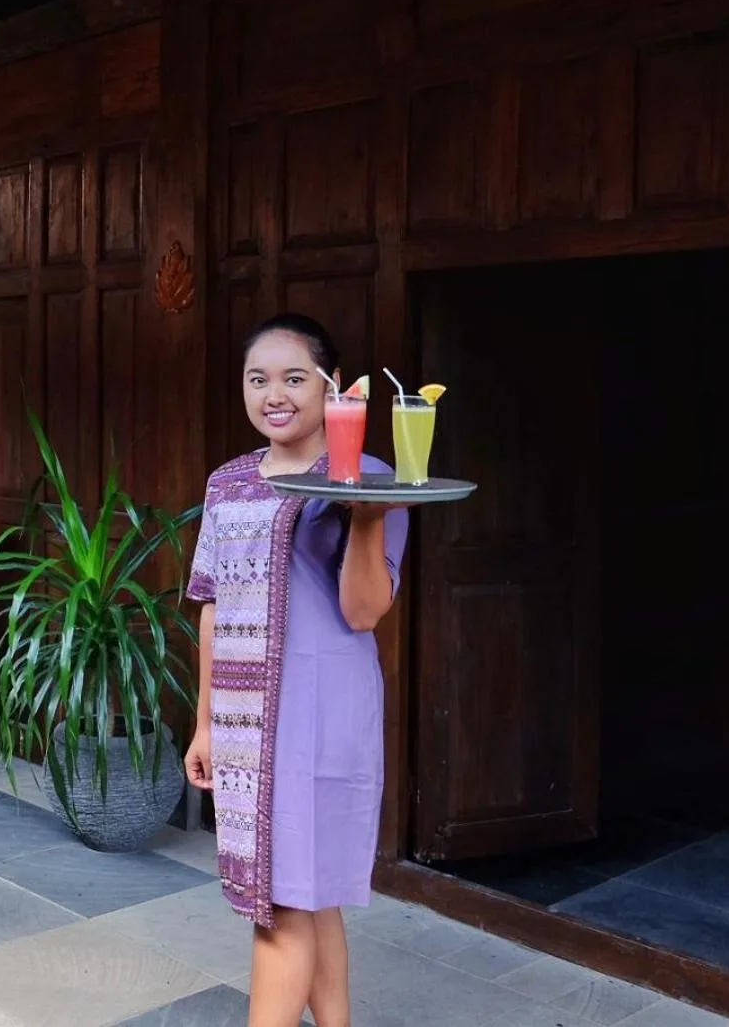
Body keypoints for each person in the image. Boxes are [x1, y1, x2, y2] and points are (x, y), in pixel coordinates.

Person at [183, 313, 408, 1027]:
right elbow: (212, 608)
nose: (273, 394)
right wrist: (205, 724)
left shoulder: (368, 478)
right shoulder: (228, 483)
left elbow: (365, 610)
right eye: (258, 379)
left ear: (332, 386)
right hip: (244, 722)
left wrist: (364, 517)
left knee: (278, 903)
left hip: (321, 709)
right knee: (304, 896)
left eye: (292, 378)